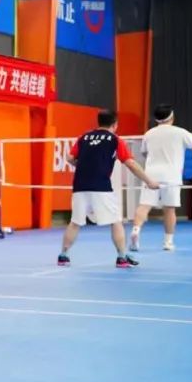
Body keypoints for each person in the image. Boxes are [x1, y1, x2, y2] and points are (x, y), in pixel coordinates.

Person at [58, 110, 158, 268]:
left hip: (80, 185)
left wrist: (84, 166)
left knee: (75, 222)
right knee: (116, 221)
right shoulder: (115, 139)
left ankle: (63, 256)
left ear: (98, 122)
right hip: (101, 186)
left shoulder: (84, 137)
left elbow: (70, 158)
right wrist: (149, 181)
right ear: (115, 124)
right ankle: (122, 257)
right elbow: (131, 164)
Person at [130, 104, 192, 252]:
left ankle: (136, 230)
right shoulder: (180, 132)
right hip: (172, 176)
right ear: (172, 117)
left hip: (151, 175)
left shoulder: (149, 134)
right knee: (169, 209)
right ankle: (168, 242)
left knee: (144, 205)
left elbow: (144, 153)